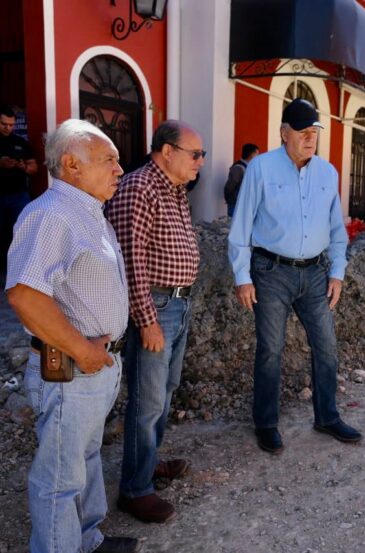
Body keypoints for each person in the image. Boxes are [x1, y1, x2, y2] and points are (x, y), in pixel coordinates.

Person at [6, 119, 140, 552]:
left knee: (84, 460)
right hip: (69, 370)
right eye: (109, 161)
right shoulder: (52, 215)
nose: (119, 170)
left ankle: (88, 540)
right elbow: (25, 294)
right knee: (59, 480)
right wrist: (82, 350)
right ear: (71, 165)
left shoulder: (87, 212)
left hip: (91, 369)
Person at [229, 99, 361, 455]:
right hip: (270, 272)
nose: (309, 138)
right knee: (271, 349)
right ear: (283, 133)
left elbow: (337, 228)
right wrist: (243, 276)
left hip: (315, 274)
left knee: (327, 346)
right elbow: (240, 225)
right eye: (302, 132)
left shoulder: (328, 173)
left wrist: (337, 272)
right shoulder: (261, 169)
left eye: (314, 132)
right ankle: (266, 423)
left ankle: (327, 416)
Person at [106, 120, 203, 523]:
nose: (201, 161)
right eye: (195, 153)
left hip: (178, 304)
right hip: (157, 307)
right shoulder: (140, 187)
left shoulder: (174, 188)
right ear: (167, 152)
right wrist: (146, 321)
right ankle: (135, 489)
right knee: (147, 402)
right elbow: (131, 262)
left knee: (165, 391)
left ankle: (147, 466)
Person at [0, 104, 37, 274]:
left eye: (11, 124)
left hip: (19, 196)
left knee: (21, 234)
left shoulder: (20, 142)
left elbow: (34, 167)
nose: (8, 128)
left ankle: (19, 271)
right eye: (4, 124)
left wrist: (24, 166)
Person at [224, 142, 259, 216]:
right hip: (236, 205)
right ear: (252, 154)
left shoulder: (248, 167)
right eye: (257, 153)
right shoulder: (239, 168)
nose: (258, 156)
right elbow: (230, 186)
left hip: (244, 204)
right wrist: (231, 199)